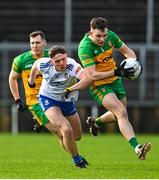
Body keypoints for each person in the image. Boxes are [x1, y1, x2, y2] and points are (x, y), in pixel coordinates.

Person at [62, 17, 151, 160]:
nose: (102, 39)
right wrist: (117, 72)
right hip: (99, 84)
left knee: (119, 116)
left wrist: (135, 65)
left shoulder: (111, 36)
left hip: (116, 80)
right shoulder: (85, 47)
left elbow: (127, 51)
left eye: (104, 35)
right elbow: (92, 75)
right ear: (90, 33)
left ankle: (95, 122)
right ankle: (138, 148)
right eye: (98, 36)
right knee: (121, 113)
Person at [28, 45, 89, 168]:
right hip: (48, 99)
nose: (62, 63)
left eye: (63, 59)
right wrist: (31, 79)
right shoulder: (44, 64)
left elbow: (87, 80)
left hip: (67, 101)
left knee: (76, 136)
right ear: (51, 61)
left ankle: (75, 154)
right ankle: (77, 160)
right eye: (57, 61)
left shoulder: (72, 65)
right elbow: (35, 66)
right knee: (66, 129)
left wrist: (71, 89)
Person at [9, 31, 49, 132]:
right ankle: (39, 119)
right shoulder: (21, 60)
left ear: (45, 43)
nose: (34, 46)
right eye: (32, 43)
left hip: (52, 97)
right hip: (34, 100)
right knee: (60, 130)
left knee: (67, 129)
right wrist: (17, 100)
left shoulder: (53, 56)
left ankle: (38, 120)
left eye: (38, 43)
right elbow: (12, 78)